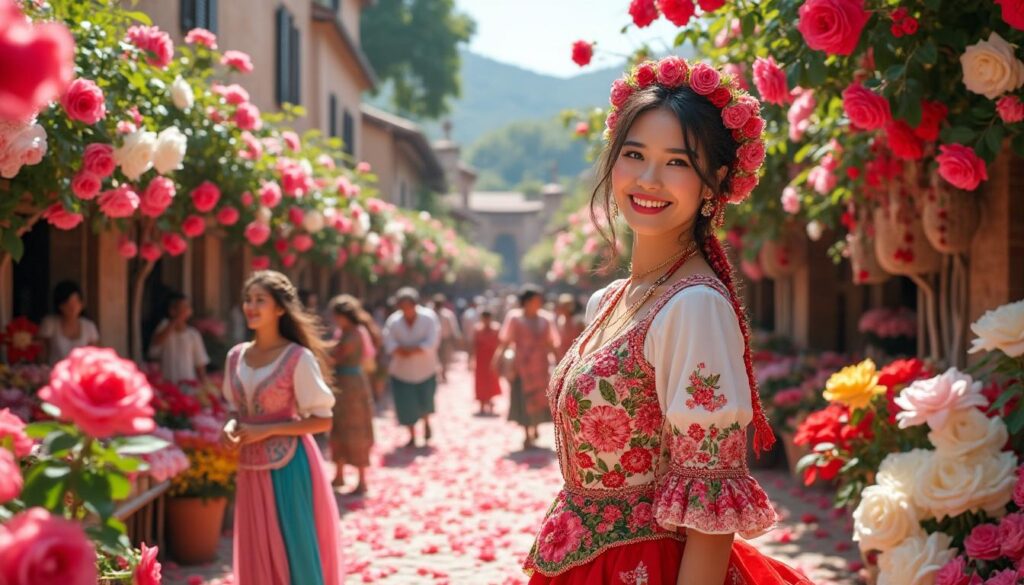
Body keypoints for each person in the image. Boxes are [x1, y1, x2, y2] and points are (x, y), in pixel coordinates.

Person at [522, 58, 811, 584]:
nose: (648, 179)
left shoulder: (694, 306)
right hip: (580, 562)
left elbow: (711, 511)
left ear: (714, 183)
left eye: (677, 162)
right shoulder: (611, 300)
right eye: (634, 154)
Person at [219, 270, 342, 585]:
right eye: (248, 299)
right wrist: (231, 426)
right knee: (255, 546)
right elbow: (236, 408)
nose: (251, 306)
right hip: (249, 464)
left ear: (280, 308)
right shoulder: (236, 357)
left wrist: (268, 430)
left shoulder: (297, 358)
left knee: (294, 548)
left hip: (288, 465)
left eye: (260, 300)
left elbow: (323, 419)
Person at [494, 284, 558, 450]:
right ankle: (526, 434)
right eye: (536, 300)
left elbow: (551, 343)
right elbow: (506, 342)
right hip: (521, 368)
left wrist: (560, 363)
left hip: (541, 368)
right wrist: (497, 359)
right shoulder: (515, 318)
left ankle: (535, 427)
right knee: (524, 400)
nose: (539, 303)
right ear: (527, 302)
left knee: (539, 399)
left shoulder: (546, 319)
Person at [327, 294, 377, 495]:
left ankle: (361, 479)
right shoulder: (346, 333)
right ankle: (339, 475)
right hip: (343, 386)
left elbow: (335, 357)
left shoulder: (353, 335)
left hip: (352, 387)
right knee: (338, 428)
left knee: (356, 430)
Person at [382, 287, 440, 448]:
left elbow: (432, 342)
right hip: (402, 371)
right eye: (403, 307)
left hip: (426, 369)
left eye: (409, 306)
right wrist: (402, 350)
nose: (406, 310)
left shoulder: (428, 318)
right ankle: (412, 434)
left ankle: (426, 422)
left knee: (425, 401)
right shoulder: (394, 321)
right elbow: (389, 342)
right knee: (406, 405)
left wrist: (412, 349)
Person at [148, 292, 210, 384]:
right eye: (182, 308)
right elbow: (156, 344)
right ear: (172, 310)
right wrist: (174, 321)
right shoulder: (163, 328)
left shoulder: (193, 334)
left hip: (188, 384)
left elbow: (199, 362)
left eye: (187, 307)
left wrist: (204, 383)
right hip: (167, 384)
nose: (185, 311)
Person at [39, 280, 100, 365]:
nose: (73, 307)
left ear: (82, 304)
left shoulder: (89, 326)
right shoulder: (50, 324)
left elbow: (93, 355)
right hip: (55, 371)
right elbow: (43, 354)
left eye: (76, 302)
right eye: (67, 303)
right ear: (60, 305)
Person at [471, 309, 502, 416]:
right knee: (481, 382)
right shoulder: (477, 329)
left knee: (491, 381)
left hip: (492, 359)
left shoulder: (496, 329)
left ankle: (490, 401)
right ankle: (482, 405)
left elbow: (500, 344)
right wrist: (471, 359)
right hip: (481, 360)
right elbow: (474, 345)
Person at [432, 294, 461, 384]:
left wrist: (455, 338)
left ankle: (443, 374)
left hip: (445, 340)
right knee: (433, 357)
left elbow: (453, 327)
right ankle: (434, 374)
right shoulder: (430, 314)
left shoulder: (447, 314)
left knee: (444, 358)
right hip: (432, 340)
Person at [553, 293, 585, 362]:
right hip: (563, 358)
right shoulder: (559, 321)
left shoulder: (578, 321)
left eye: (566, 306)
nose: (563, 308)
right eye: (562, 305)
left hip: (576, 357)